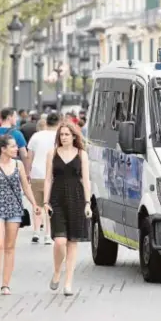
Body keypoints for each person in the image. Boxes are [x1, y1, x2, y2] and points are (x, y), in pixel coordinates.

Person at [0, 135, 41, 296]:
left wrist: (34, 204)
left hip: (14, 208)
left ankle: (5, 284)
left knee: (10, 247)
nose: (17, 149)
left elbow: (26, 187)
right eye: (13, 147)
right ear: (3, 149)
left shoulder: (18, 165)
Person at [44, 122, 92, 296]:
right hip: (56, 199)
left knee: (72, 242)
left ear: (73, 136)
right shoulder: (52, 154)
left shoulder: (82, 155)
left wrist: (88, 203)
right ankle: (57, 271)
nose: (63, 137)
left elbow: (85, 180)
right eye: (61, 134)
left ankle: (68, 282)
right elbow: (48, 179)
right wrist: (45, 202)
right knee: (59, 241)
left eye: (66, 134)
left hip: (76, 199)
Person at [27, 113, 60, 244]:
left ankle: (36, 232)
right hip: (52, 175)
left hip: (36, 173)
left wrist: (27, 172)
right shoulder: (60, 137)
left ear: (46, 122)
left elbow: (29, 156)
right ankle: (48, 234)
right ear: (59, 122)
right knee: (50, 205)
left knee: (37, 204)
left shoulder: (36, 136)